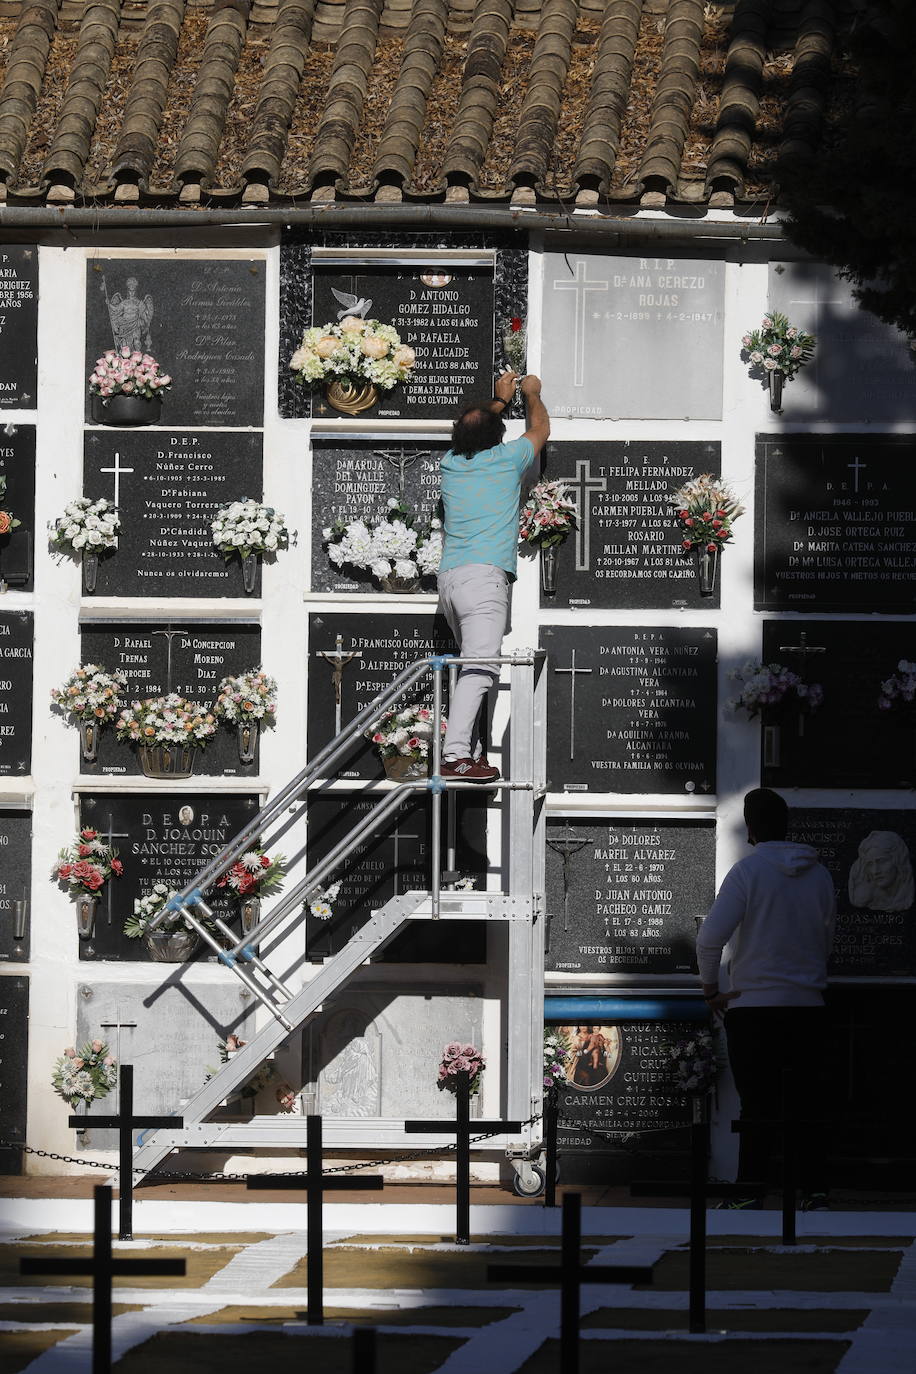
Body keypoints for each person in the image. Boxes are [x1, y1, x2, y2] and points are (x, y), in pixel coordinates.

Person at [696, 787, 836, 1210]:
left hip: (754, 1007)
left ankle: (749, 1190)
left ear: (752, 829)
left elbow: (709, 940)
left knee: (757, 1104)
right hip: (808, 1007)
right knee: (807, 1104)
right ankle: (813, 1190)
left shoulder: (747, 872)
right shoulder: (821, 874)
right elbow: (826, 939)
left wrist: (710, 991)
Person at [436, 370, 550, 781]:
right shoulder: (507, 459)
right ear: (497, 436)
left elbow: (474, 425)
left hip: (450, 579)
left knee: (473, 670)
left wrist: (499, 400)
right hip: (484, 580)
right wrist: (530, 394)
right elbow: (541, 428)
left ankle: (473, 752)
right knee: (481, 667)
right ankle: (454, 757)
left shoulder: (450, 465)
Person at [848, 830, 914, 911]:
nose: (875, 871)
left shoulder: (906, 894)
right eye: (870, 864)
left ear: (898, 861)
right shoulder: (864, 896)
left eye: (882, 861)